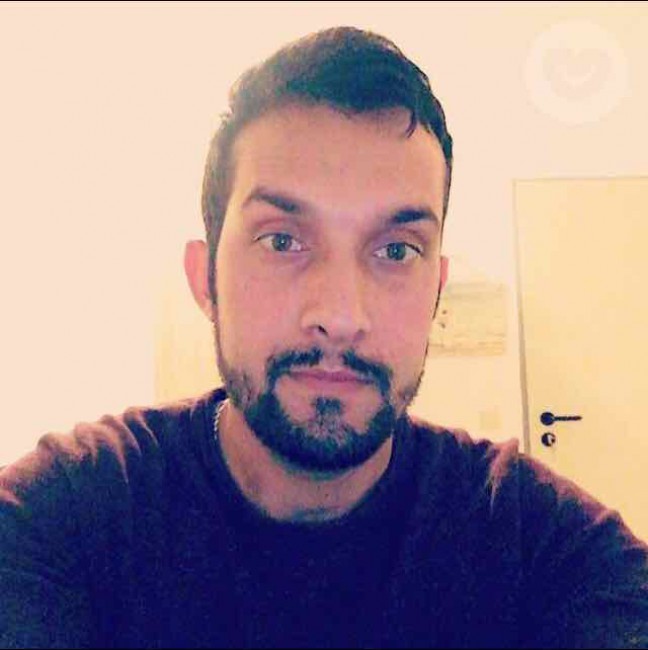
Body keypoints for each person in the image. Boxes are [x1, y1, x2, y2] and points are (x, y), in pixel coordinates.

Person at [0, 25, 646, 649]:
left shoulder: (543, 549)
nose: (340, 314)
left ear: (436, 290)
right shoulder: (66, 521)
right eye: (282, 241)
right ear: (204, 279)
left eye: (396, 250)